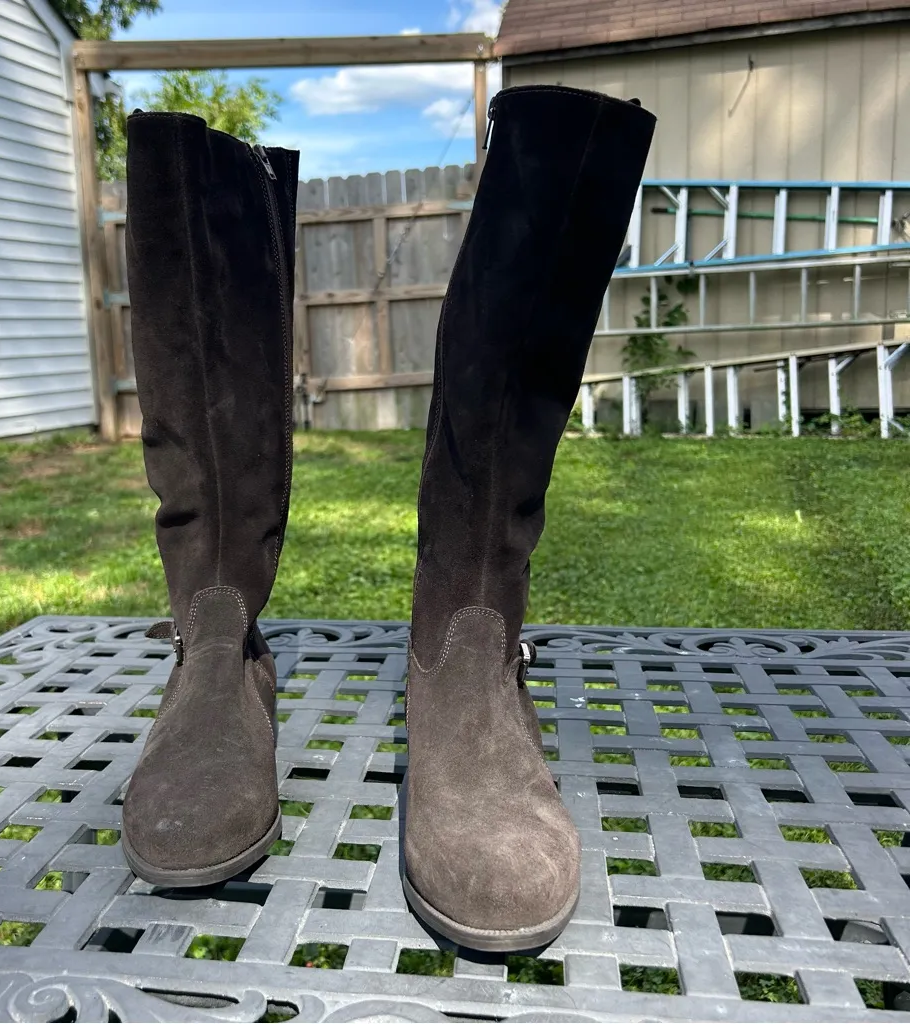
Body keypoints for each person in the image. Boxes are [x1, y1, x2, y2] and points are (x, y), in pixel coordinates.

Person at [119, 87, 655, 952]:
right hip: (213, 637)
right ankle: (219, 646)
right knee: (192, 208)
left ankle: (464, 660)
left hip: (469, 626)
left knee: (551, 196)